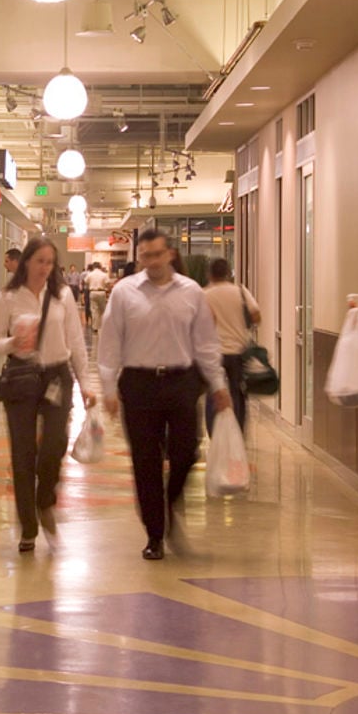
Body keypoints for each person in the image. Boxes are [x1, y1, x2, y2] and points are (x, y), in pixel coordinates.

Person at [98, 229, 231, 561]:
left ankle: (168, 503)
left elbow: (206, 343)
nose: (152, 262)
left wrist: (218, 384)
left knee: (187, 452)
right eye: (145, 256)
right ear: (139, 258)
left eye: (157, 255)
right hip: (139, 385)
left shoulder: (192, 293)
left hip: (181, 381)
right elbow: (110, 343)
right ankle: (155, 535)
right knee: (145, 463)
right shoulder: (124, 292)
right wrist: (109, 388)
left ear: (170, 254)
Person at [0, 235, 96, 553]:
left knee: (54, 445)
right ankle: (28, 526)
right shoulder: (9, 296)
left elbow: (76, 342)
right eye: (39, 261)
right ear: (26, 262)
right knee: (22, 454)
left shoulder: (62, 295)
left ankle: (45, 499)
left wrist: (86, 382)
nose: (45, 268)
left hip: (57, 375)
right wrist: (12, 344)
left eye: (50, 262)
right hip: (21, 376)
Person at [203, 257, 261, 434]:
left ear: (210, 274)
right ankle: (238, 433)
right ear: (228, 274)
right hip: (238, 352)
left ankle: (215, 433)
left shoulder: (204, 294)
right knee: (239, 395)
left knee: (214, 393)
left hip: (214, 353)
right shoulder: (240, 291)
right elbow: (256, 315)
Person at [86, 261, 108, 332]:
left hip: (93, 292)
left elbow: (86, 281)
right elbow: (107, 283)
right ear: (100, 266)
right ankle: (103, 326)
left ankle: (95, 327)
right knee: (103, 310)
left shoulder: (90, 274)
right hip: (102, 292)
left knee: (94, 310)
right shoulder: (104, 274)